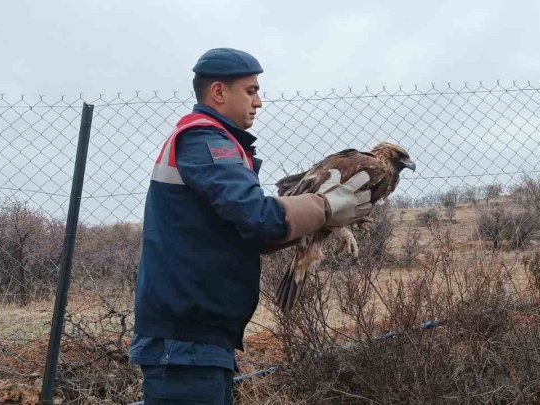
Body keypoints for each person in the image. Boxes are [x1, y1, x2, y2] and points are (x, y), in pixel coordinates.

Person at [128, 47, 372, 404]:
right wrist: (326, 206)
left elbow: (252, 233)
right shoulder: (205, 141)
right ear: (218, 92)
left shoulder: (214, 142)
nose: (259, 101)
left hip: (197, 340)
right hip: (185, 343)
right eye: (251, 90)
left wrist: (320, 223)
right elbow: (257, 217)